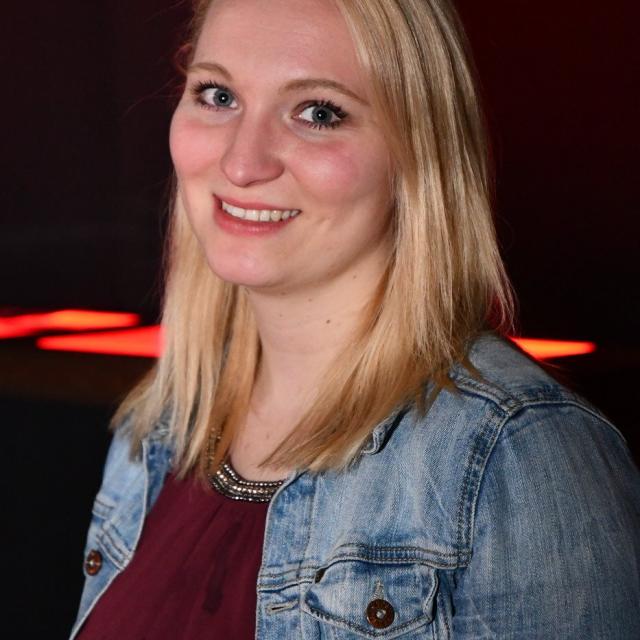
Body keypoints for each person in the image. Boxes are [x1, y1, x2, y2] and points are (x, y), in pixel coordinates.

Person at [70, 0, 640, 638]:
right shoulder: (159, 429)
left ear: (419, 149)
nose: (242, 163)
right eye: (218, 95)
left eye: (318, 112)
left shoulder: (516, 456)